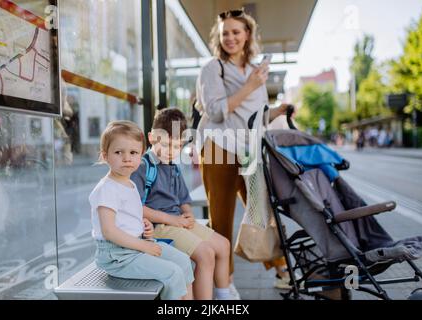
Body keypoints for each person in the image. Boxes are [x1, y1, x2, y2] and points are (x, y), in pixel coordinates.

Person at [195, 8, 293, 290]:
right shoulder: (213, 68)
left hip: (247, 149)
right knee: (221, 218)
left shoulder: (255, 72)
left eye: (236, 32)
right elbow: (215, 111)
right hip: (218, 146)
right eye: (225, 33)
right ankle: (224, 285)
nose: (230, 38)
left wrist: (278, 111)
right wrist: (250, 86)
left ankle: (281, 270)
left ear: (247, 34)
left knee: (260, 211)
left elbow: (258, 115)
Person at [131, 108, 238, 300]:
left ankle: (224, 297)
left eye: (178, 146)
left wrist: (188, 214)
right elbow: (137, 208)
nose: (172, 152)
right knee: (206, 254)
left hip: (177, 222)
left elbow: (183, 199)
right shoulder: (142, 166)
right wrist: (173, 220)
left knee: (223, 245)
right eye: (166, 144)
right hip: (158, 227)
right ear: (151, 137)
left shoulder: (173, 166)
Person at [89, 120, 194, 300]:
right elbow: (109, 231)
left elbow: (127, 216)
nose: (127, 158)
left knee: (184, 261)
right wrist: (144, 246)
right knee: (173, 273)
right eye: (118, 152)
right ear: (105, 156)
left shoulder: (129, 184)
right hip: (117, 255)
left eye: (133, 152)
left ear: (141, 155)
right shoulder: (106, 189)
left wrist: (144, 225)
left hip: (134, 246)